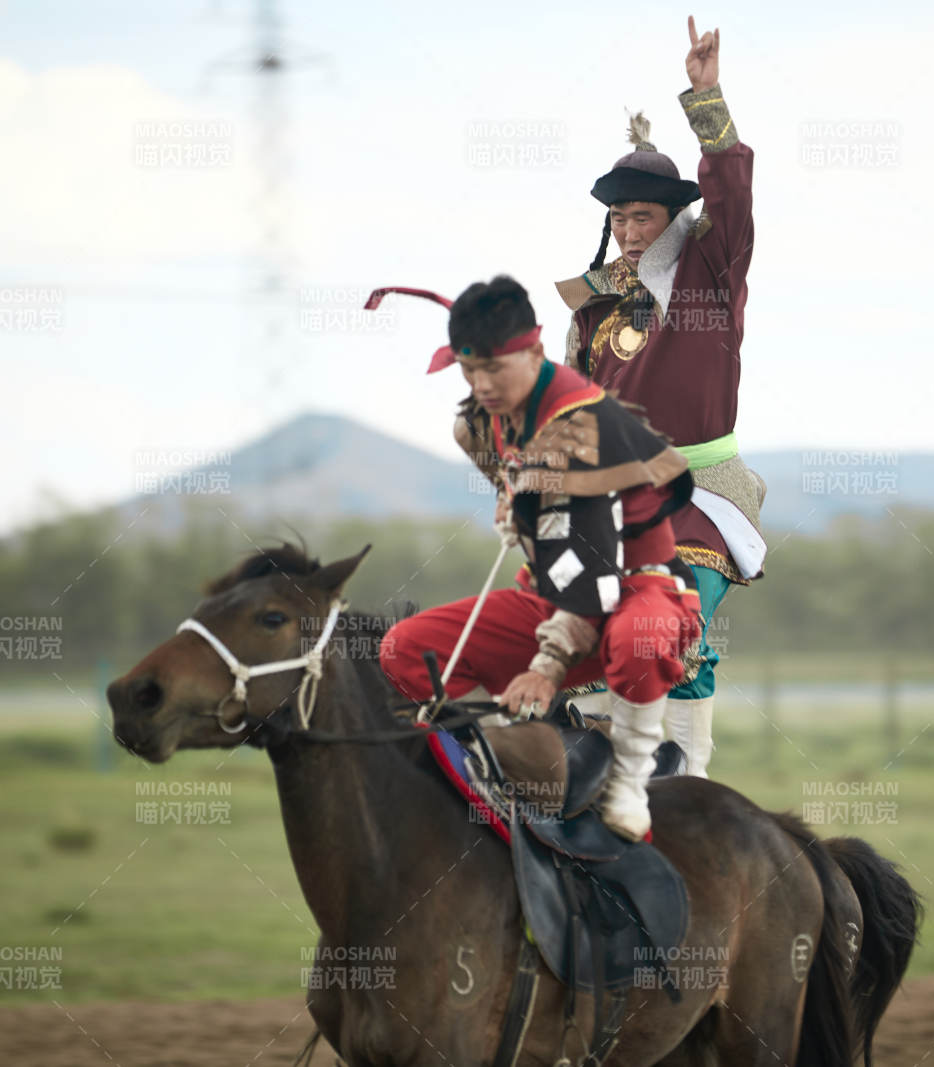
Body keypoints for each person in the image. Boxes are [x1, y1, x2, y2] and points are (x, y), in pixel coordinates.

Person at [369, 275, 704, 841]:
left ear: (536, 351)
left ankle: (628, 778)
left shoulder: (582, 430)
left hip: (638, 591)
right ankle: (523, 753)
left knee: (638, 636)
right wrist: (519, 508)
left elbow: (593, 575)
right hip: (547, 592)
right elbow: (548, 542)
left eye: (494, 369)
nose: (481, 385)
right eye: (469, 371)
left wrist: (545, 669)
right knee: (406, 650)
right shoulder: (479, 423)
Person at [554, 15, 764, 779]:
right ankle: (595, 768)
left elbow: (732, 196)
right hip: (613, 499)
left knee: (678, 616)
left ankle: (691, 783)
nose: (628, 230)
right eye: (618, 217)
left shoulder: (710, 272)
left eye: (642, 215)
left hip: (702, 495)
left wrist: (706, 101)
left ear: (671, 217)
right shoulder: (593, 309)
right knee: (568, 626)